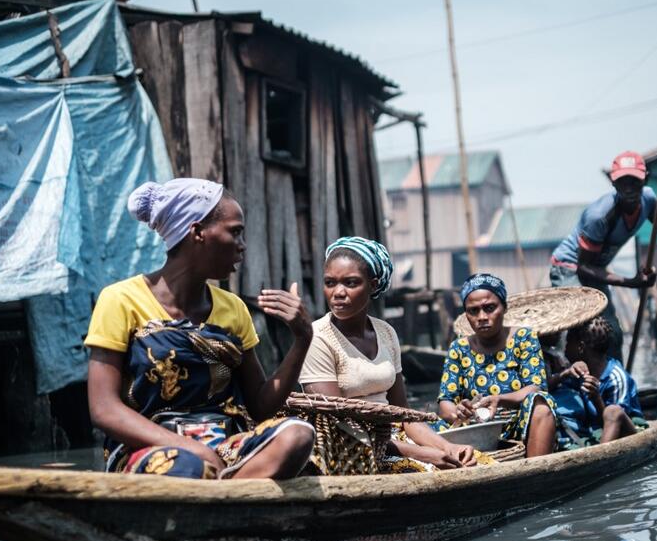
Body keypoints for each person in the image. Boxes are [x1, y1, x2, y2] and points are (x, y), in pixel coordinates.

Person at [85, 178, 316, 479]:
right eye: (235, 232)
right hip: (149, 448)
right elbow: (104, 409)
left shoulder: (233, 309)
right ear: (197, 233)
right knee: (189, 467)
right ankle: (232, 487)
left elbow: (260, 407)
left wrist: (302, 338)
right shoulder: (120, 300)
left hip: (224, 446)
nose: (242, 246)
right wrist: (191, 448)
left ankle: (222, 490)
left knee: (298, 436)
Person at [299, 237, 478, 472]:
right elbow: (338, 424)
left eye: (350, 283)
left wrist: (447, 447)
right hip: (350, 449)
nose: (338, 293)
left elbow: (404, 415)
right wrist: (424, 454)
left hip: (394, 439)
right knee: (433, 471)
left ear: (373, 285)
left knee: (475, 462)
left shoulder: (385, 332)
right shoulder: (318, 338)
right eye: (330, 283)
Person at [550, 151, 657, 361]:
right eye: (624, 183)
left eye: (635, 182)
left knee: (611, 332)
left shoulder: (648, 197)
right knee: (580, 331)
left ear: (645, 180)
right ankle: (571, 383)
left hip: (596, 270)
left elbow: (654, 212)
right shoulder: (599, 216)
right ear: (613, 184)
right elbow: (584, 267)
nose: (630, 189)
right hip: (570, 267)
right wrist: (630, 282)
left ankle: (615, 384)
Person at [437, 273, 558, 457]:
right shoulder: (459, 348)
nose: (482, 317)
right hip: (475, 430)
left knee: (542, 404)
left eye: (490, 308)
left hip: (518, 425)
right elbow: (445, 402)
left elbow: (535, 387)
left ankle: (535, 471)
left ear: (505, 307)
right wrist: (459, 411)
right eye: (473, 311)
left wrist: (499, 399)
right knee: (422, 425)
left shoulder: (523, 338)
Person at [564, 316, 644, 443]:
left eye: (568, 342)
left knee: (612, 411)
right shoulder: (576, 372)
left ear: (580, 347)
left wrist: (596, 398)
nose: (565, 348)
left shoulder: (616, 378)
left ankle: (602, 458)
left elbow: (615, 420)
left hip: (624, 430)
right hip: (594, 429)